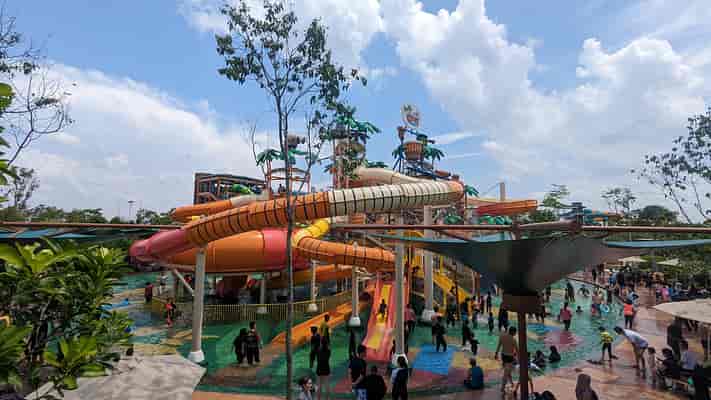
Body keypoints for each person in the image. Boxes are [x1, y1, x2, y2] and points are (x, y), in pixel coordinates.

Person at [495, 326, 518, 392]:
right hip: (510, 357)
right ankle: (502, 387)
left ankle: (511, 383)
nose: (515, 333)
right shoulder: (513, 340)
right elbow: (517, 350)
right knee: (506, 373)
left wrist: (496, 354)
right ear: (513, 332)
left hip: (503, 356)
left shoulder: (502, 336)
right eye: (515, 332)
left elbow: (499, 346)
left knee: (508, 371)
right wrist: (519, 359)